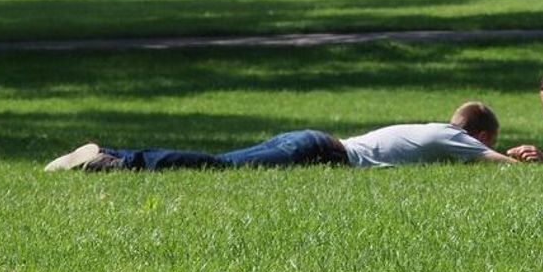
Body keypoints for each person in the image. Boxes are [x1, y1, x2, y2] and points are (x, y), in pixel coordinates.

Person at [44, 101, 514, 171]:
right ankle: (118, 161)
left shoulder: (429, 129)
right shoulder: (459, 140)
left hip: (314, 139)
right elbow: (502, 168)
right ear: (480, 133)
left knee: (222, 160)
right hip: (320, 152)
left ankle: (112, 153)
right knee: (223, 167)